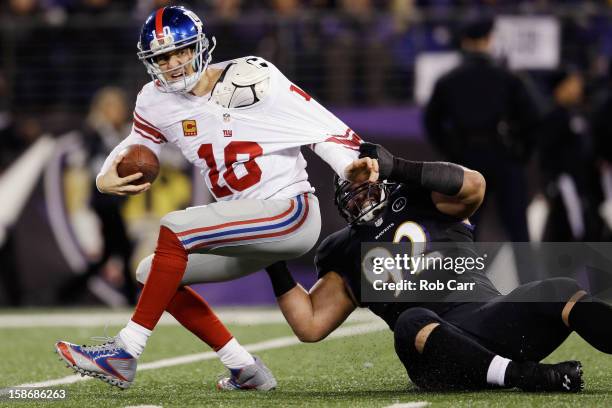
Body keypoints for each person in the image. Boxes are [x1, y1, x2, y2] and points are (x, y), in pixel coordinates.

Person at [55, 6, 377, 390]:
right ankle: (245, 368)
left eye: (181, 51)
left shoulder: (254, 78)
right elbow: (138, 144)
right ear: (150, 62)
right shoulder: (155, 99)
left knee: (175, 226)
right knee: (152, 273)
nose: (173, 63)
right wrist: (104, 175)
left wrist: (347, 166)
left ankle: (124, 351)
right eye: (162, 57)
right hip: (244, 224)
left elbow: (321, 128)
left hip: (289, 212)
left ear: (200, 46)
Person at [264, 142, 612, 392]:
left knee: (560, 289)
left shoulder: (420, 197)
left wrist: (397, 166)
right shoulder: (342, 248)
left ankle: (513, 371)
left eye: (363, 182)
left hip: (489, 320)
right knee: (411, 319)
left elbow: (475, 184)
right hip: (436, 356)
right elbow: (310, 324)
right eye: (348, 186)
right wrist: (270, 254)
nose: (358, 192)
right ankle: (524, 376)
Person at [424, 18, 540, 247]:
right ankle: (532, 282)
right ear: (489, 40)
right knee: (519, 232)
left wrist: (452, 152)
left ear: (465, 42)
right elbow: (532, 119)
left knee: (463, 231)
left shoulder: (449, 80)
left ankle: (464, 282)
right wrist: (520, 153)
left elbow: (432, 122)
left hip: (466, 159)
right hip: (503, 155)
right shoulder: (508, 78)